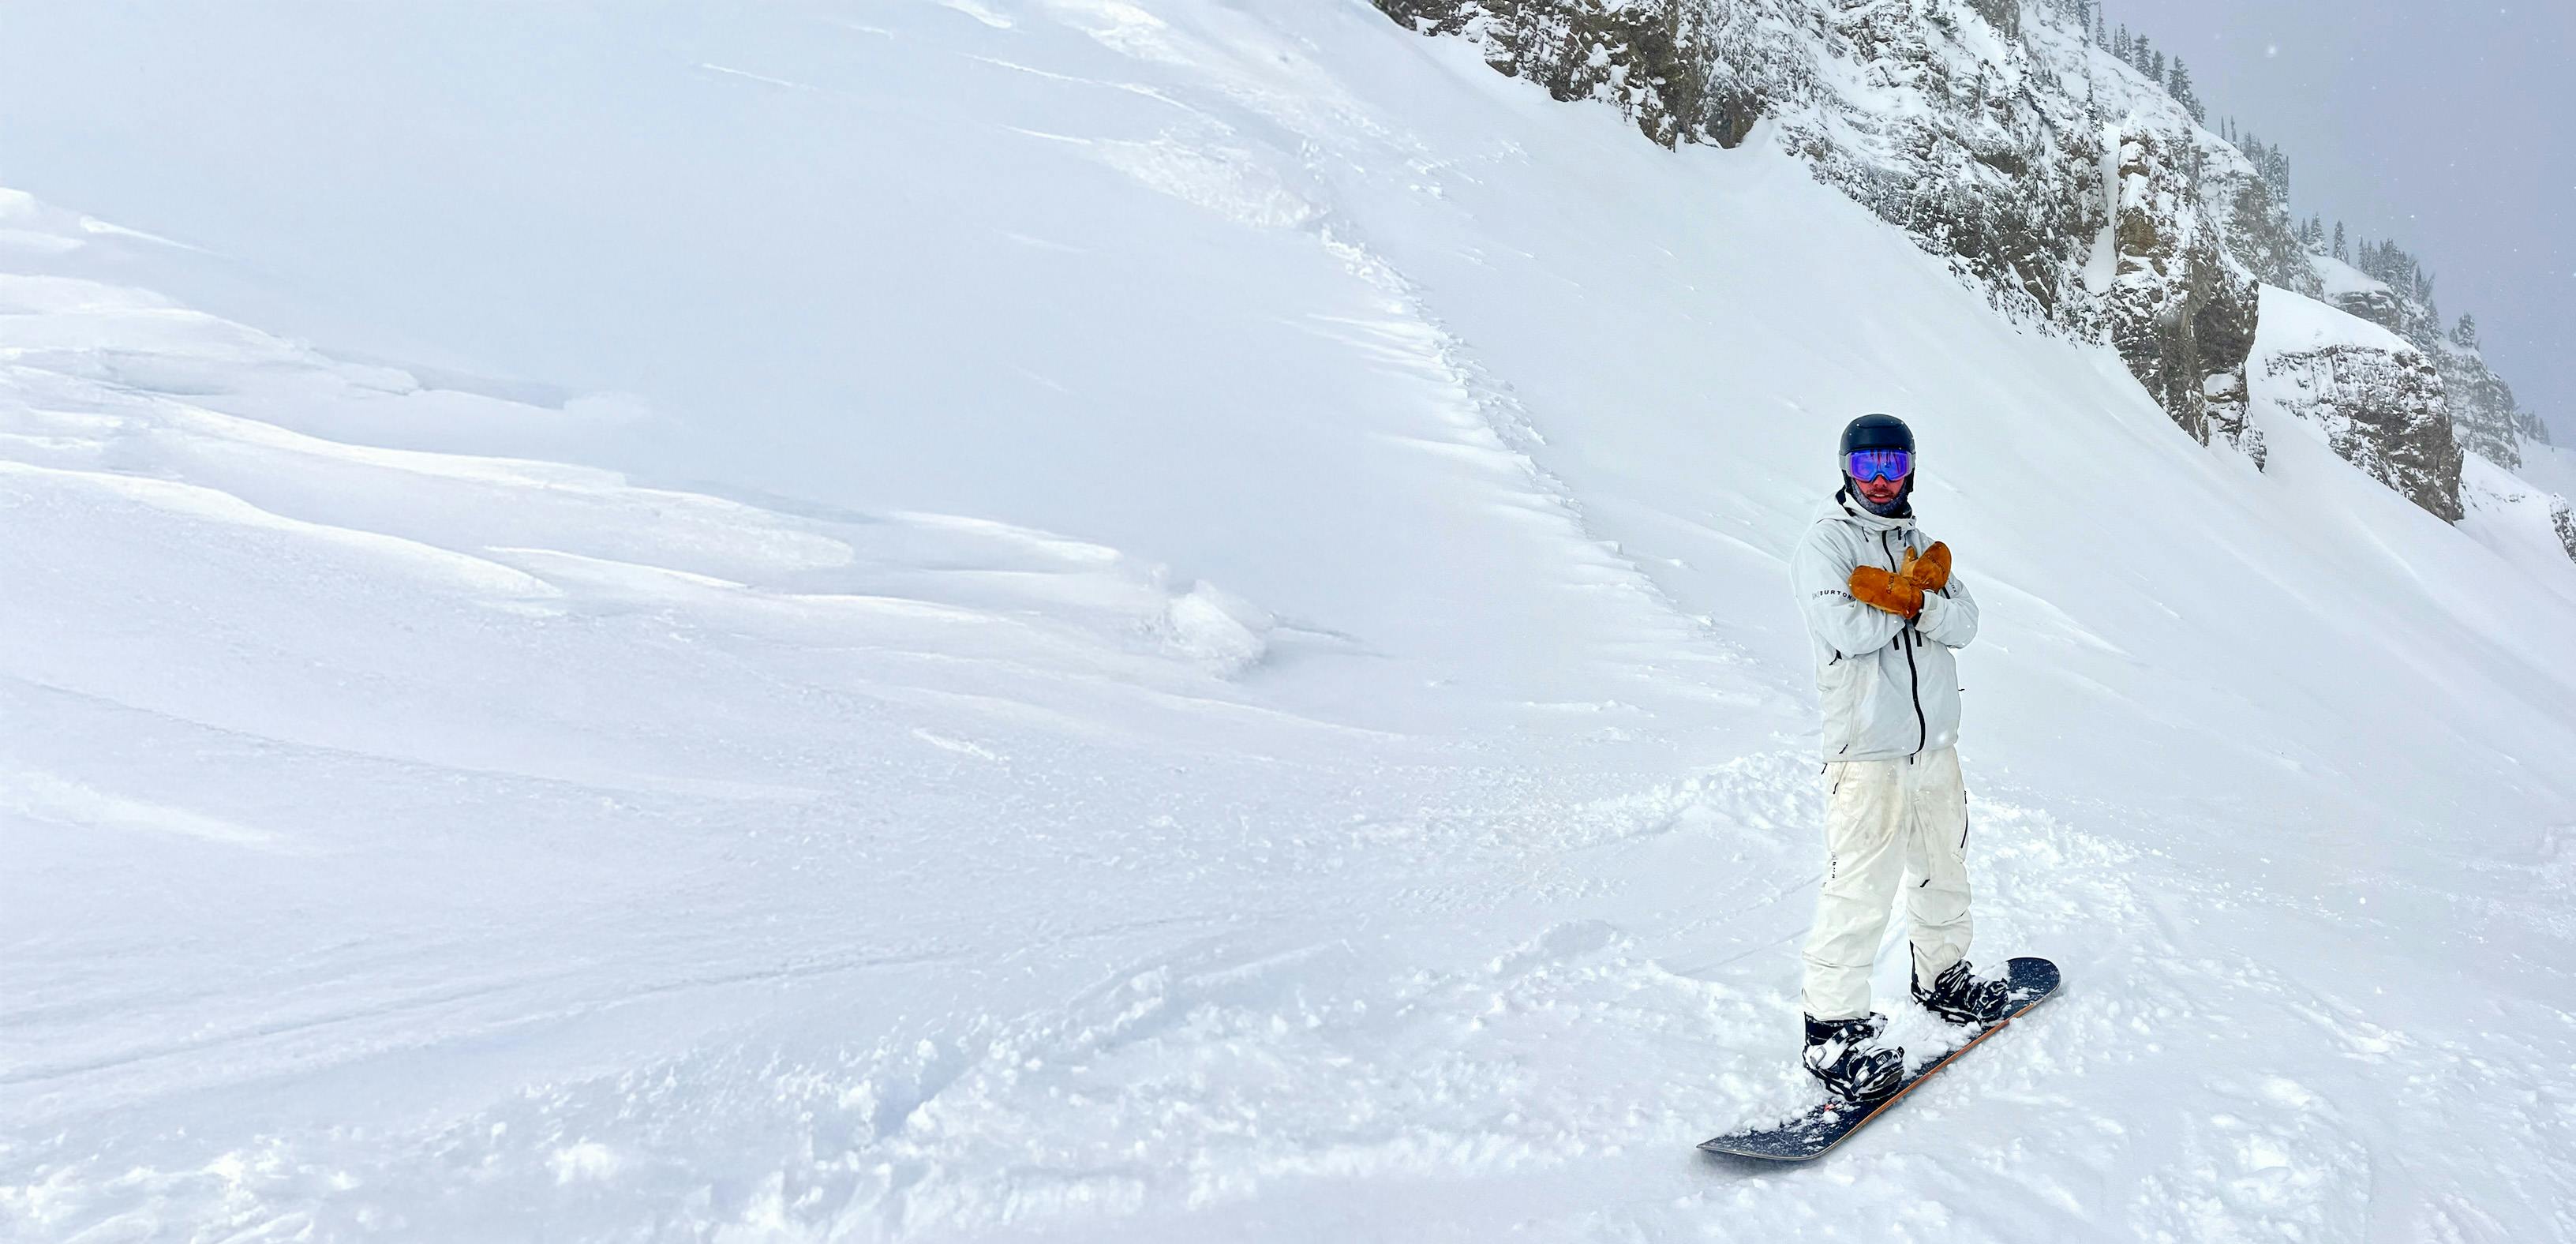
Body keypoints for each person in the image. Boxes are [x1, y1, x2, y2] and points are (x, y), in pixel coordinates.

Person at [1786, 413, 2012, 1100]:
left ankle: (1942, 975)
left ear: (1911, 469)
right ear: (1846, 470)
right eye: (1867, 466)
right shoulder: (1825, 545)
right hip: (1867, 750)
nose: (1881, 480)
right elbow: (1847, 629)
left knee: (1943, 866)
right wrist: (1919, 599)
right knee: (1860, 884)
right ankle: (1832, 1028)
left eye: (1893, 464)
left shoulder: (1918, 544)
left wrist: (1907, 596)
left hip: (1933, 745)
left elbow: (1965, 623)